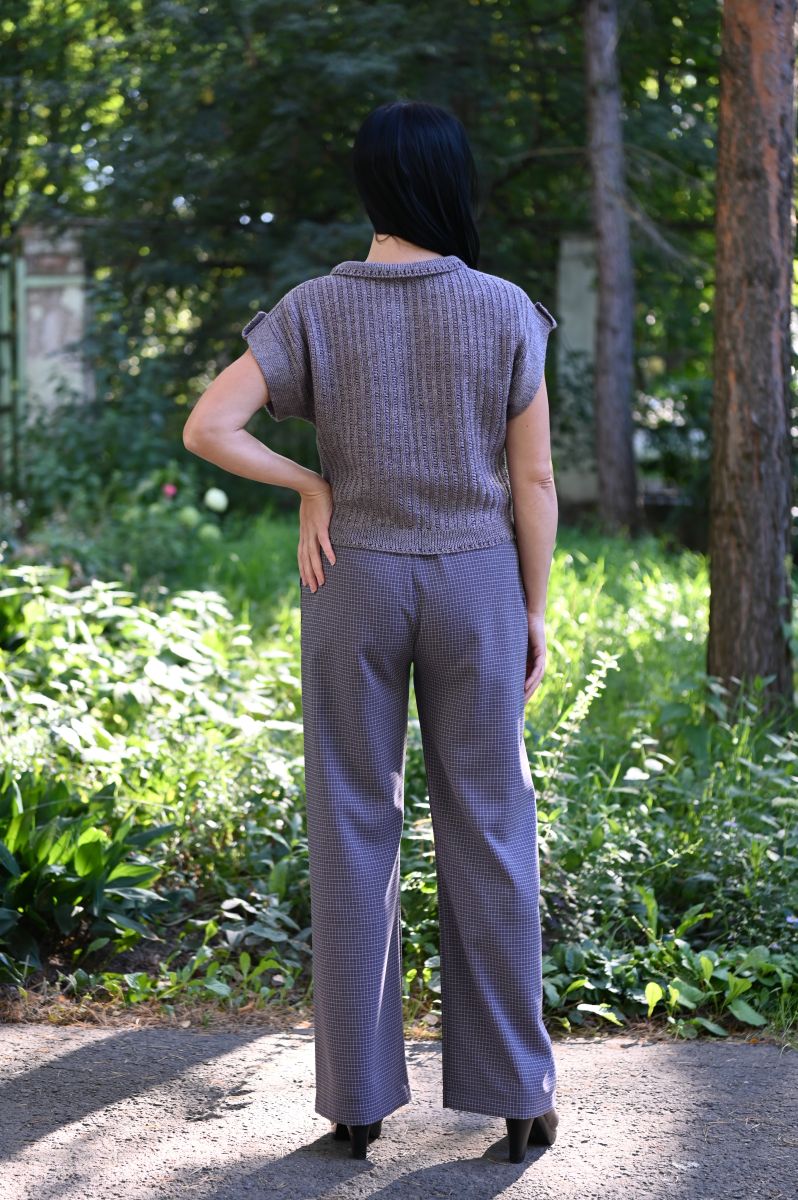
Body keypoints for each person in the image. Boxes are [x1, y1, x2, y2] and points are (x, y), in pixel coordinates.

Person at [183, 98, 560, 1165]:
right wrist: (535, 608)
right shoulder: (505, 308)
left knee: (353, 820)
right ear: (450, 183)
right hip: (477, 581)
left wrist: (311, 481)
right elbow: (533, 479)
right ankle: (517, 1097)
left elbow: (209, 425)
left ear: (371, 187)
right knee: (490, 822)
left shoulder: (313, 307)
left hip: (352, 576)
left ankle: (355, 1105)